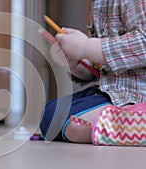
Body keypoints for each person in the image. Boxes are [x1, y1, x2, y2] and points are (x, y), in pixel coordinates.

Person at [40, 0, 146, 143]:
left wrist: (86, 46)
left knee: (73, 125)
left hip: (137, 95)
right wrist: (76, 63)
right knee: (52, 113)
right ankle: (126, 121)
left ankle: (135, 123)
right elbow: (100, 69)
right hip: (113, 91)